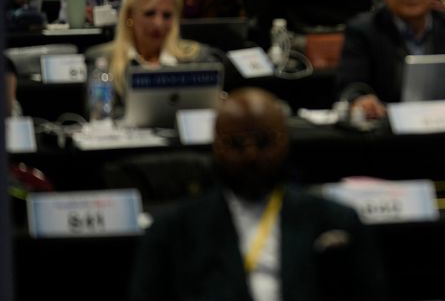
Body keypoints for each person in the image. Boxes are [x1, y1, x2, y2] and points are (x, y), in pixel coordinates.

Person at [129, 87, 389, 301]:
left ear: (284, 142)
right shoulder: (173, 233)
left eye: (264, 142)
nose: (251, 155)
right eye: (236, 144)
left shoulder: (335, 222)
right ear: (216, 147)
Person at [85, 0, 214, 103]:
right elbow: (98, 114)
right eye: (149, 13)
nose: (158, 24)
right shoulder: (102, 62)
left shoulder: (198, 60)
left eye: (167, 15)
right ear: (129, 15)